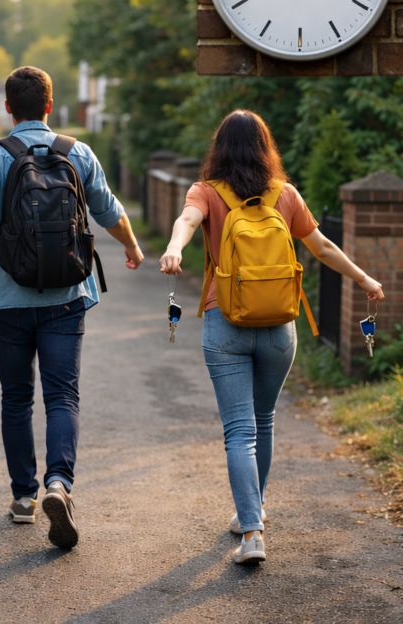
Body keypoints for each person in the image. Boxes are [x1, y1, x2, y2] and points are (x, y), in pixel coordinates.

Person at [159, 109, 384, 565]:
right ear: (265, 148)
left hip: (226, 324)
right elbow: (322, 247)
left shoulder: (207, 191)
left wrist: (174, 247)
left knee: (239, 431)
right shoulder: (285, 195)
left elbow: (186, 219)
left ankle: (253, 532)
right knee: (264, 421)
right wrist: (364, 279)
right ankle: (252, 510)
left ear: (219, 147)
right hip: (280, 327)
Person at [0, 66, 144, 549]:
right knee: (62, 396)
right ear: (50, 107)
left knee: (16, 396)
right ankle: (59, 484)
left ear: (8, 108)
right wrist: (133, 249)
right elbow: (109, 209)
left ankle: (24, 497)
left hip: (8, 297)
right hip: (67, 295)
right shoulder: (77, 152)